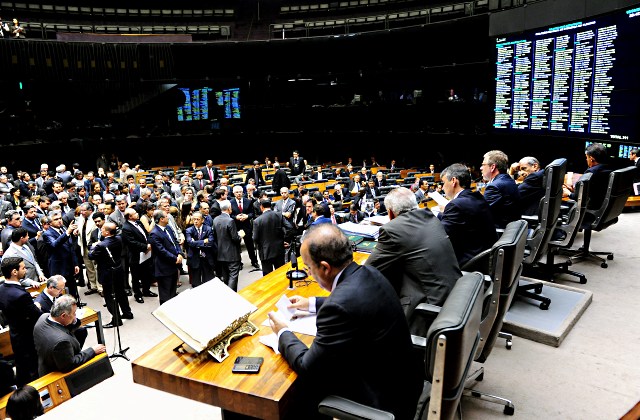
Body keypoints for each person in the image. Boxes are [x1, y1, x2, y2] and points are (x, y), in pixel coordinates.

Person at [267, 224, 422, 420]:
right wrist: (312, 303)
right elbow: (354, 302)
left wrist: (283, 333)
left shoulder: (338, 306)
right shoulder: (370, 273)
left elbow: (307, 366)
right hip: (404, 383)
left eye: (309, 268)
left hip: (381, 400)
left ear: (324, 268)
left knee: (301, 390)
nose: (310, 274)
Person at [365, 186, 461, 337]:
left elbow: (368, 272)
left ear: (390, 213)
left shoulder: (392, 229)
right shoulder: (430, 217)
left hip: (430, 310)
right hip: (455, 297)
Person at [438, 164, 497, 266]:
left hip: (471, 262)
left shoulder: (455, 205)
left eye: (443, 183)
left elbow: (441, 236)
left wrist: (438, 215)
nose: (442, 187)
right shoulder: (478, 197)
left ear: (453, 181)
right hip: (486, 255)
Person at [33, 295, 106, 376]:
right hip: (57, 376)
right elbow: (69, 365)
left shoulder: (44, 317)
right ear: (63, 315)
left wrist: (73, 320)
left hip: (45, 364)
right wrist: (92, 350)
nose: (75, 316)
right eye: (74, 313)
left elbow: (66, 326)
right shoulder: (61, 342)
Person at [0, 257, 41, 386]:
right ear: (14, 272)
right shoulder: (21, 295)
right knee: (32, 370)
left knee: (22, 367)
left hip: (15, 334)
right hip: (28, 337)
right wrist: (36, 306)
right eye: (23, 268)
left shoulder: (2, 288)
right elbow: (37, 315)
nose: (25, 270)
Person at [88, 222, 134, 328]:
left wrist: (93, 246)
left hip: (107, 273)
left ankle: (116, 320)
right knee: (121, 293)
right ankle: (127, 313)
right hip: (118, 269)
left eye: (103, 229)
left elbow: (91, 256)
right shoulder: (118, 238)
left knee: (109, 297)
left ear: (107, 232)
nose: (101, 230)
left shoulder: (101, 245)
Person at [563, 143, 613, 221]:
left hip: (590, 209)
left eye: (587, 157)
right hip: (603, 208)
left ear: (591, 158)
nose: (586, 159)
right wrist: (575, 190)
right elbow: (594, 191)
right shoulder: (609, 169)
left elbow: (580, 198)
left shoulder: (591, 173)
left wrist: (568, 193)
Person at [42, 210, 81, 302]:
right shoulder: (47, 234)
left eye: (60, 218)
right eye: (56, 219)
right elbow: (54, 245)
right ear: (50, 223)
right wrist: (67, 232)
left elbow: (71, 247)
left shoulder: (63, 229)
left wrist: (75, 263)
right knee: (62, 294)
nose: (59, 221)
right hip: (59, 268)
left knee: (72, 292)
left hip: (69, 266)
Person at [121, 208, 156, 303]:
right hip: (135, 254)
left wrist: (148, 244)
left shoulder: (139, 223)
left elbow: (146, 234)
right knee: (136, 276)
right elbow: (131, 242)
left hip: (145, 253)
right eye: (135, 213)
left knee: (146, 273)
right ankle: (138, 294)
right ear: (130, 216)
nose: (137, 214)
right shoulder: (126, 228)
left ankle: (146, 290)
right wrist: (145, 247)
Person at [149, 209, 183, 305]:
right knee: (165, 294)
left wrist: (180, 253)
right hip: (163, 267)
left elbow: (175, 242)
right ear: (161, 219)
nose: (168, 217)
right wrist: (175, 258)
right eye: (166, 216)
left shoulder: (167, 228)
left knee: (172, 291)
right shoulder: (154, 234)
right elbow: (161, 251)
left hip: (173, 265)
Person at [481, 150, 521, 229]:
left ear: (492, 167)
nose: (481, 168)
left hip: (498, 233)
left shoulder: (494, 187)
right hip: (511, 230)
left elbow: (481, 213)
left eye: (483, 164)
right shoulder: (509, 180)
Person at [213, 200, 242, 292]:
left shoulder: (215, 219)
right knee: (233, 275)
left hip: (220, 253)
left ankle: (227, 293)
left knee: (225, 276)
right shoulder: (230, 221)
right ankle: (231, 294)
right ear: (229, 208)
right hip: (232, 253)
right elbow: (235, 238)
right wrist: (240, 236)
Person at [252, 199, 285, 276]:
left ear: (261, 207)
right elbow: (289, 228)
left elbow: (255, 238)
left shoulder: (257, 221)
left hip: (265, 251)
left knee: (268, 277)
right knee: (281, 274)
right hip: (279, 249)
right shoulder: (279, 215)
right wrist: (284, 240)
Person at [185, 211, 217, 287]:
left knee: (209, 282)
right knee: (195, 283)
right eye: (194, 219)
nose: (195, 221)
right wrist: (204, 241)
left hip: (207, 257)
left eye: (198, 219)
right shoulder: (189, 230)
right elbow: (190, 243)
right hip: (194, 257)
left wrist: (195, 242)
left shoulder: (208, 229)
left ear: (202, 220)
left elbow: (210, 243)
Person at [230, 185, 259, 269]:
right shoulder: (230, 202)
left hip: (246, 226)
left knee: (250, 245)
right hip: (236, 226)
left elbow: (252, 214)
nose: (239, 194)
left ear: (243, 193)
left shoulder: (248, 201)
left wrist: (247, 216)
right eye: (237, 192)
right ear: (234, 193)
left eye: (240, 192)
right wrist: (236, 217)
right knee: (237, 246)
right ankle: (239, 263)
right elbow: (230, 215)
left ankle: (254, 261)